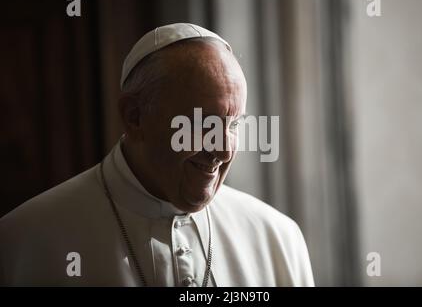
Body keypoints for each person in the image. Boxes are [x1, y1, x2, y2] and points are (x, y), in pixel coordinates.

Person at [0, 23, 314, 286]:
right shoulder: (26, 242)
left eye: (233, 124)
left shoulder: (277, 238)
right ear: (135, 116)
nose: (223, 150)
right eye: (202, 124)